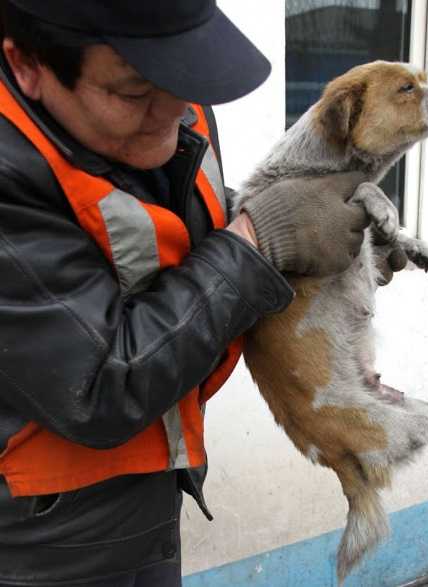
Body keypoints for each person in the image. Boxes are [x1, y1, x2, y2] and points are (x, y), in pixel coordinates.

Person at [0, 1, 386, 585]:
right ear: (27, 64)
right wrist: (257, 240)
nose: (176, 111)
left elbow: (159, 229)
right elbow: (101, 384)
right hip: (41, 548)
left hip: (148, 506)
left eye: (188, 79)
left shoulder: (168, 91)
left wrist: (308, 228)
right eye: (133, 93)